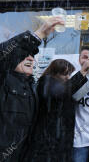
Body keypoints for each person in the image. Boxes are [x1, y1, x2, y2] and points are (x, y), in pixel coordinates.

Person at [0, 17, 64, 162]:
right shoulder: (3, 79)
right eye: (24, 55)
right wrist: (39, 34)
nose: (30, 59)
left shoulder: (32, 85)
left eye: (32, 56)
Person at [27, 58, 89, 161]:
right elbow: (62, 91)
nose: (68, 78)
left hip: (60, 139)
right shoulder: (46, 82)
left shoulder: (62, 87)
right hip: (48, 140)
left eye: (69, 74)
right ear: (55, 73)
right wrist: (82, 71)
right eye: (65, 74)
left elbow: (76, 94)